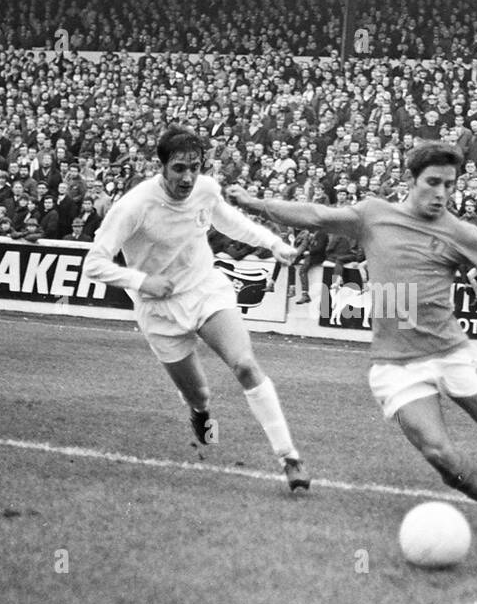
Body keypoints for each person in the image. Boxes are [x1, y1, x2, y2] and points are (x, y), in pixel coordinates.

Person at [228, 142, 477, 539]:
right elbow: (317, 215)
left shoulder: (460, 232)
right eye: (433, 182)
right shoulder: (373, 215)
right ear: (411, 181)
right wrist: (254, 202)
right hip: (397, 366)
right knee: (439, 453)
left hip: (453, 353)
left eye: (449, 184)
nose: (441, 193)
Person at [84, 125, 310, 492]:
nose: (188, 177)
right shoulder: (135, 205)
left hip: (205, 290)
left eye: (195, 167)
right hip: (159, 309)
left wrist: (273, 244)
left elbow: (229, 221)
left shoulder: (205, 189)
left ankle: (290, 458)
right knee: (199, 395)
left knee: (245, 364)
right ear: (162, 167)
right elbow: (93, 263)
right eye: (179, 168)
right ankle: (200, 414)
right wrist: (143, 282)